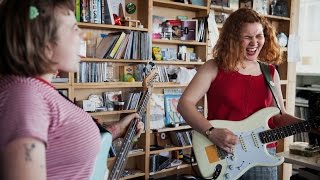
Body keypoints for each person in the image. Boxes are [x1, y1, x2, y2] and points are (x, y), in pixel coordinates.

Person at [0, 1, 144, 180]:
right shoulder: (24, 98)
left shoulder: (34, 91)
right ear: (45, 42)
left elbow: (62, 144)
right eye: (75, 28)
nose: (83, 35)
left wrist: (118, 129)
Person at [177, 8, 302, 180]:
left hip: (262, 159)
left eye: (259, 36)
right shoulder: (213, 67)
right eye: (247, 37)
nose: (254, 43)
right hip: (222, 153)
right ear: (233, 39)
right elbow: (185, 104)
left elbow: (278, 117)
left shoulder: (271, 73)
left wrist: (309, 124)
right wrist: (211, 132)